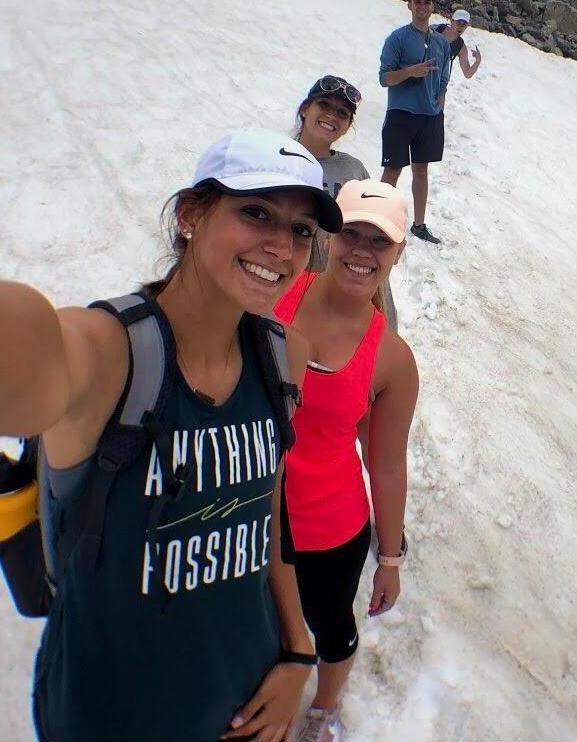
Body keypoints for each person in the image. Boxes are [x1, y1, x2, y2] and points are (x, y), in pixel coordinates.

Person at [0, 129, 342, 742]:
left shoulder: (283, 353)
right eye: (256, 211)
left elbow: (266, 515)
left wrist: (296, 652)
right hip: (107, 716)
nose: (282, 247)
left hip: (246, 700)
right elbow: (29, 352)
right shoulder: (110, 352)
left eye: (299, 230)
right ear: (190, 214)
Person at [273, 179, 419, 742]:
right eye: (350, 233)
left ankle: (323, 708)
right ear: (329, 236)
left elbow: (385, 465)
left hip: (328, 530)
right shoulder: (274, 293)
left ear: (398, 252)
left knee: (331, 626)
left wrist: (389, 558)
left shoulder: (391, 358)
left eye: (378, 242)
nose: (362, 251)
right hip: (244, 508)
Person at [292, 75, 398, 329]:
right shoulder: (278, 158)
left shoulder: (353, 169)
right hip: (287, 287)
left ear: (348, 124)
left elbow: (375, 234)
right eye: (324, 105)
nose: (332, 116)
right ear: (306, 109)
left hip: (341, 290)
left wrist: (386, 322)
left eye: (342, 113)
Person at [379, 0, 451, 245]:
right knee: (393, 169)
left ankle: (419, 225)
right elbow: (384, 78)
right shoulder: (397, 38)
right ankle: (378, 218)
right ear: (409, 5)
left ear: (432, 7)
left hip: (430, 116)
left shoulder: (441, 42)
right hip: (401, 112)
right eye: (417, 2)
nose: (422, 6)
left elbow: (444, 75)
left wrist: (441, 97)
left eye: (426, 2)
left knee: (422, 170)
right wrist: (411, 71)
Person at [433, 9, 482, 80]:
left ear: (467, 26)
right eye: (458, 22)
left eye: (464, 24)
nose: (460, 27)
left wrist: (478, 61)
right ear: (452, 21)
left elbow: (467, 73)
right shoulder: (435, 29)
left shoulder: (461, 47)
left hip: (438, 79)